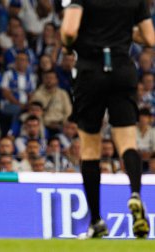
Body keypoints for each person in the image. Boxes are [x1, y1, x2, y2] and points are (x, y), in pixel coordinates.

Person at [61, 0, 155, 238]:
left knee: (90, 148)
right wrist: (122, 31)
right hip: (122, 69)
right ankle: (135, 193)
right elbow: (150, 38)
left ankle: (96, 221)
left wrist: (69, 43)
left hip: (90, 72)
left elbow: (69, 31)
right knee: (127, 142)